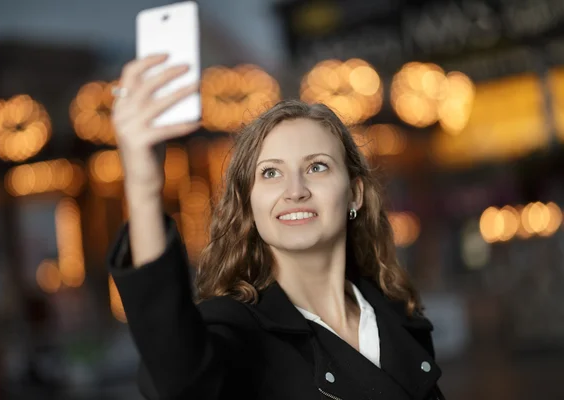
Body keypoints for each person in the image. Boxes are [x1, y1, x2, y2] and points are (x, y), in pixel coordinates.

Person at [108, 54, 445, 400]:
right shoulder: (235, 331)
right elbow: (178, 378)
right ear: (249, 205)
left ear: (354, 195)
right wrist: (144, 187)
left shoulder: (398, 317)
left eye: (317, 167)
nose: (295, 191)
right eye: (271, 173)